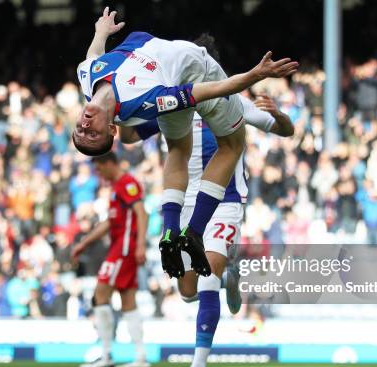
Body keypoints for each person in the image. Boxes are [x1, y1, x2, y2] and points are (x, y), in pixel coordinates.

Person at [73, 8, 297, 280]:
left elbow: (93, 56)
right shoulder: (148, 101)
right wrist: (254, 75)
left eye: (80, 132)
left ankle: (171, 231)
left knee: (178, 149)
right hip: (196, 73)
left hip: (217, 192)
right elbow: (203, 91)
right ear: (111, 128)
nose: (84, 128)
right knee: (232, 146)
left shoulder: (86, 76)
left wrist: (100, 32)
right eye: (92, 135)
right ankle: (193, 232)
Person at [120, 92, 294, 367]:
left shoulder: (232, 100)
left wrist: (279, 116)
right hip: (183, 203)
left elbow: (286, 131)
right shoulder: (170, 102)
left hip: (224, 201)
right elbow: (130, 135)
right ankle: (229, 277)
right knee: (188, 291)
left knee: (207, 278)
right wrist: (119, 112)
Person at [72, 152, 149, 367]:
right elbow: (110, 222)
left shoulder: (127, 183)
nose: (99, 173)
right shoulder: (117, 187)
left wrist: (141, 244)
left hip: (124, 249)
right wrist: (84, 243)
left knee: (100, 294)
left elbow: (142, 213)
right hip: (123, 248)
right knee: (128, 301)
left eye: (99, 168)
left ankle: (106, 354)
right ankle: (140, 356)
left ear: (109, 163)